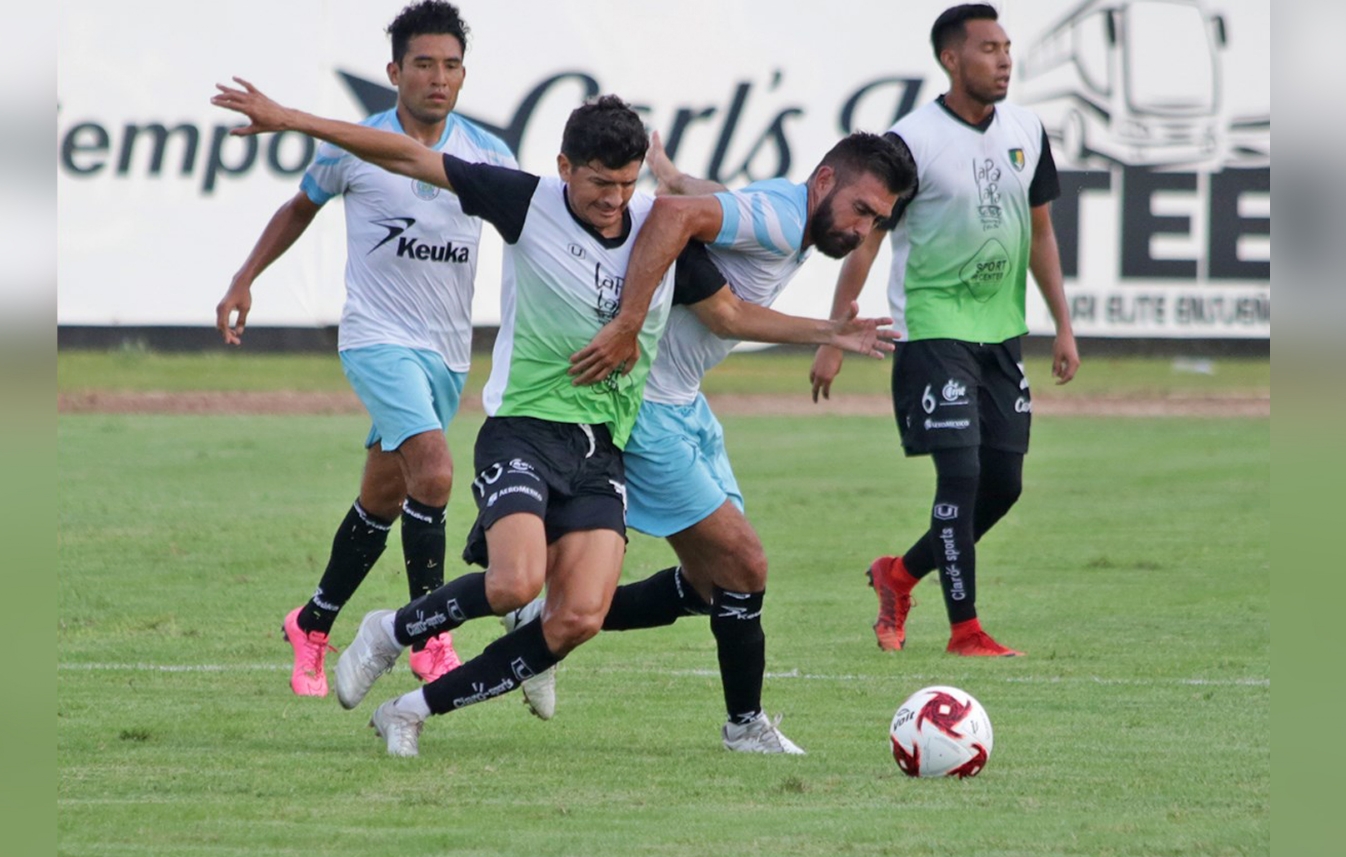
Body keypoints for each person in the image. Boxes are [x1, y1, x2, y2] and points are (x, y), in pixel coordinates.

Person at [211, 84, 897, 757]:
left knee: (578, 618)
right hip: (525, 430)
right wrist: (292, 118)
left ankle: (409, 710)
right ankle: (393, 631)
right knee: (517, 582)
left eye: (627, 185)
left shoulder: (660, 243)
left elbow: (725, 311)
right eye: (599, 183)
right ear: (564, 168)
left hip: (605, 448)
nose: (612, 201)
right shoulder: (527, 201)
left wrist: (830, 332)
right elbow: (408, 157)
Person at [512, 131, 916, 754]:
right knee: (745, 566)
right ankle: (744, 726)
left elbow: (706, 199)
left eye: (879, 222)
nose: (864, 230)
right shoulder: (785, 219)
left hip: (686, 404)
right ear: (826, 182)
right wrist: (628, 322)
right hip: (648, 407)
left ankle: (542, 623)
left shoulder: (784, 211)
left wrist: (672, 174)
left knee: (712, 586)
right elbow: (675, 219)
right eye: (862, 210)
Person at [214, 1, 515, 696]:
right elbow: (299, 208)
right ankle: (430, 634)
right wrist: (244, 277)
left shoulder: (488, 155)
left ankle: (312, 622)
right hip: (377, 339)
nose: (438, 78)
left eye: (451, 66)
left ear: (463, 75)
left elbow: (534, 236)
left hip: (445, 353)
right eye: (423, 65)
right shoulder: (354, 145)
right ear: (394, 72)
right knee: (435, 474)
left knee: (385, 496)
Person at [808, 3, 1081, 657]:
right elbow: (866, 238)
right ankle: (966, 631)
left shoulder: (1027, 129)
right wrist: (832, 333)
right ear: (951, 59)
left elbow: (1041, 231)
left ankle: (898, 576)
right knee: (958, 477)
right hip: (931, 331)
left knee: (1004, 485)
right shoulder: (912, 140)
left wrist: (1064, 326)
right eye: (988, 47)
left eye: (1008, 46)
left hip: (1000, 332)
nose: (1005, 58)